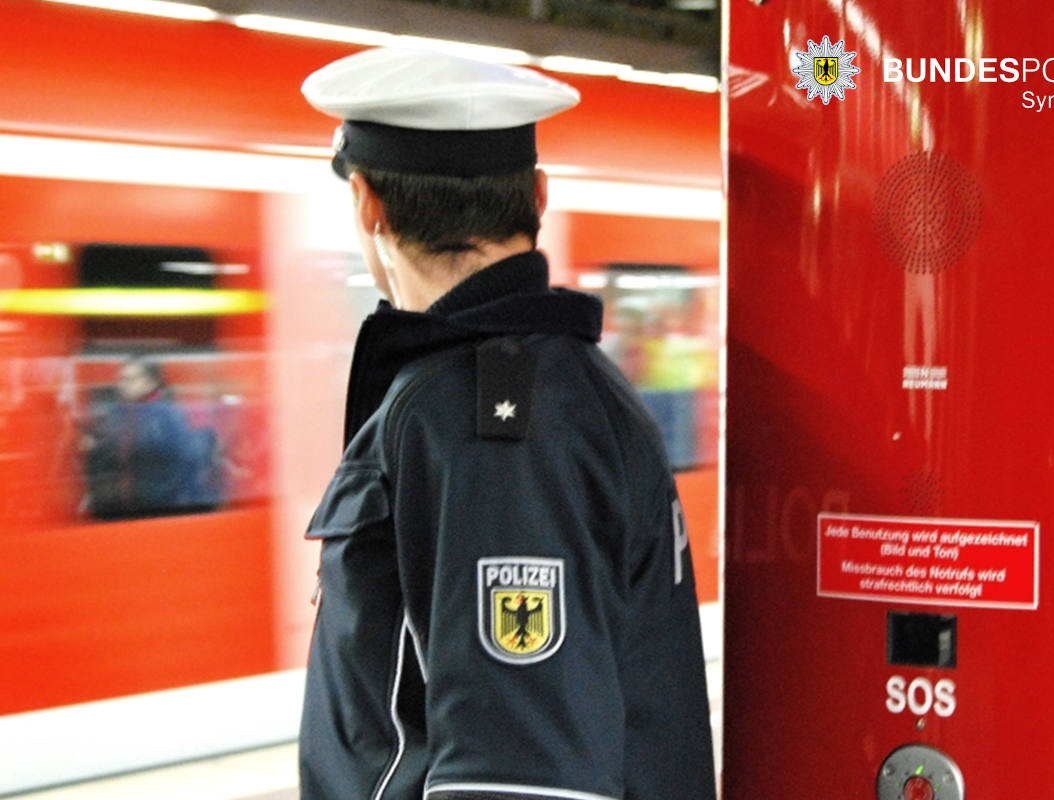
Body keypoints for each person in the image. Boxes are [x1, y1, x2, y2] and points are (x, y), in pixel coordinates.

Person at [298, 48, 716, 800]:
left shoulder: (475, 425)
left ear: (368, 205)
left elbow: (520, 775)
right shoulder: (553, 390)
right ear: (539, 197)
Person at [81, 356, 213, 518]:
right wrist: (94, 447)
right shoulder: (117, 413)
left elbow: (186, 463)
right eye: (121, 379)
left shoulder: (168, 415)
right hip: (124, 507)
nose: (122, 385)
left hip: (159, 509)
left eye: (129, 380)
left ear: (150, 383)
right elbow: (110, 451)